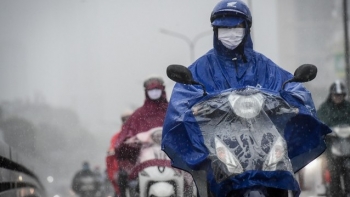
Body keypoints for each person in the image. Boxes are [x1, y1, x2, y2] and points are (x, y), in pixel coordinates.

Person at [162, 0, 330, 196]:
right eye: (224, 27)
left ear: (247, 28)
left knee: (281, 182)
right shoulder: (201, 69)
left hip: (265, 146)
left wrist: (293, 100)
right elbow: (183, 99)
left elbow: (290, 86)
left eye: (236, 26)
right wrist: (193, 109)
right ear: (215, 30)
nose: (230, 32)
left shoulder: (264, 66)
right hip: (220, 150)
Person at [114, 76, 168, 197]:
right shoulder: (138, 115)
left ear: (163, 90)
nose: (154, 92)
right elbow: (124, 138)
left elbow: (184, 130)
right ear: (146, 91)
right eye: (151, 89)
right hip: (145, 160)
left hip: (172, 158)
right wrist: (130, 144)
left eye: (157, 89)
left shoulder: (172, 111)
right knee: (126, 179)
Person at [317, 80, 350, 196]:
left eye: (340, 95)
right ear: (331, 95)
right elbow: (319, 123)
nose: (338, 97)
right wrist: (327, 131)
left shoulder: (348, 108)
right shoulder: (325, 109)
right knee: (333, 173)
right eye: (336, 95)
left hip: (348, 148)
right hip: (330, 149)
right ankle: (324, 186)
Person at [106, 110, 133, 197]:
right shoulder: (117, 136)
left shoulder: (138, 133)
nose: (127, 120)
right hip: (123, 167)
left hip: (138, 165)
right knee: (121, 179)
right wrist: (112, 150)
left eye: (129, 118)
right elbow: (112, 146)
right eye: (124, 119)